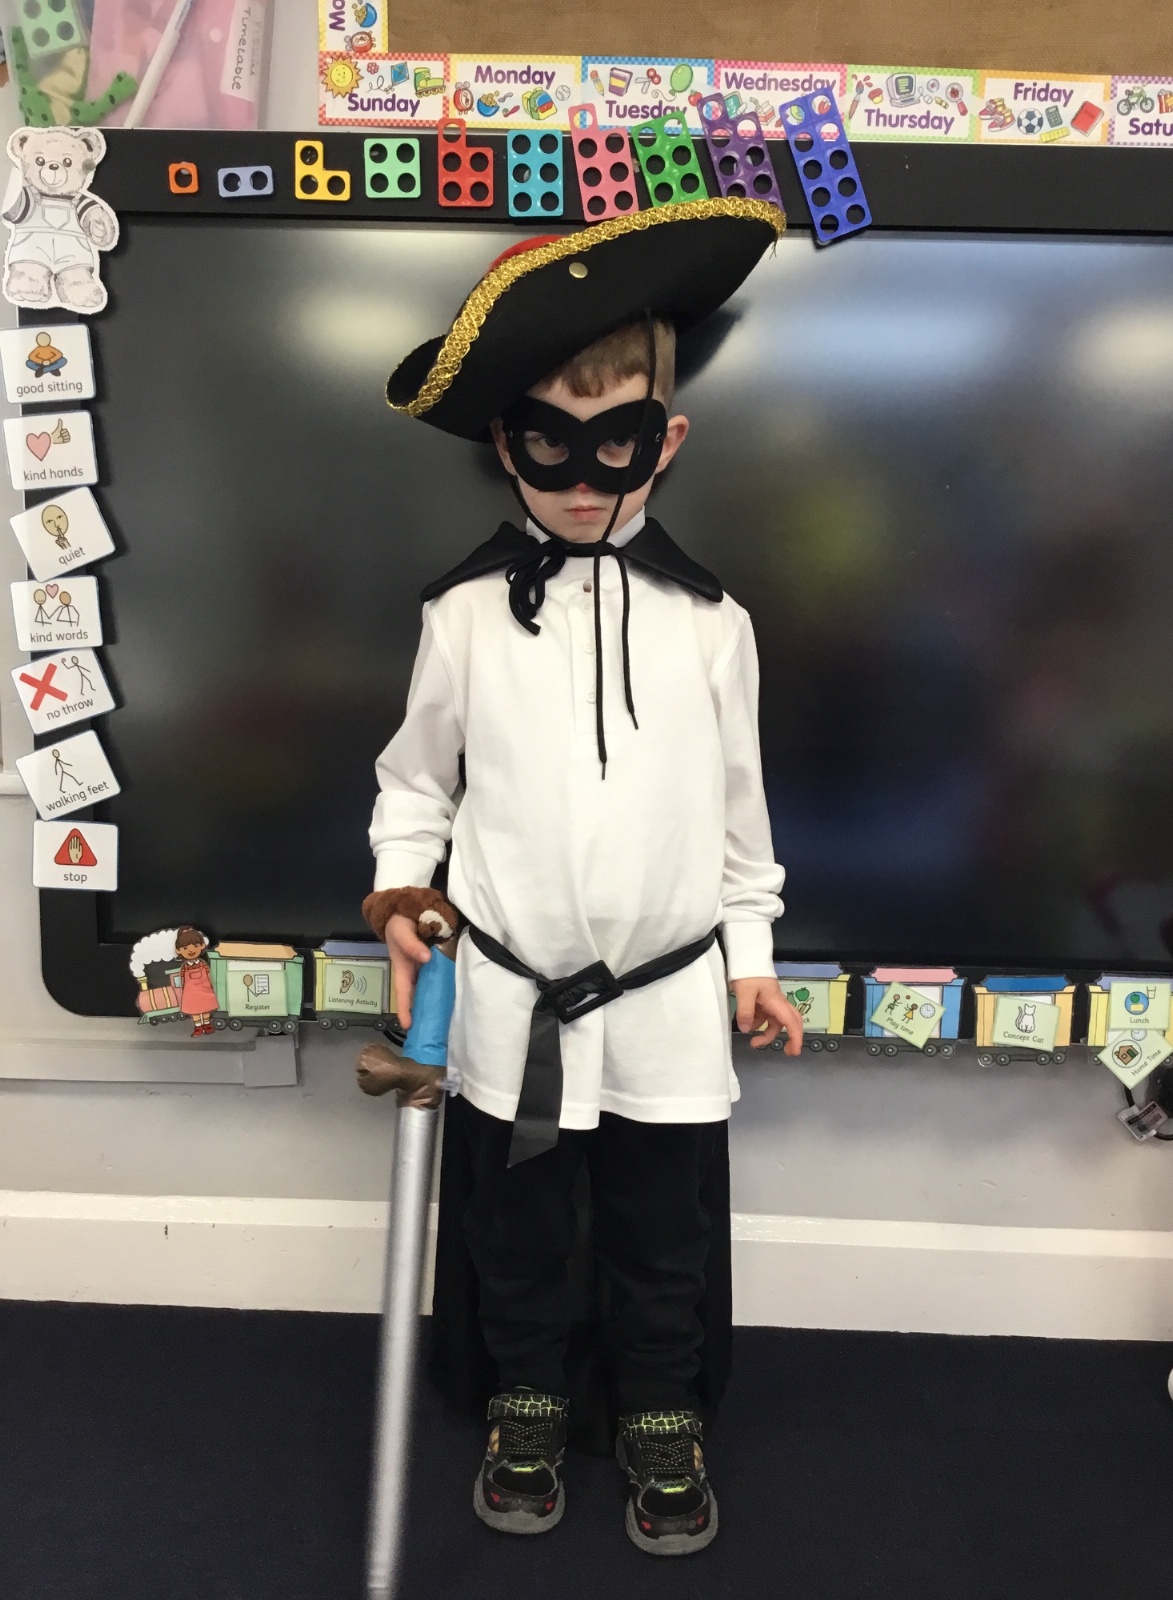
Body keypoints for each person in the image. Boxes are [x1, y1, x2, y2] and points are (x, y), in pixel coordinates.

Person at [363, 199, 803, 1557]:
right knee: (521, 1226)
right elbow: (416, 785)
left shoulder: (715, 627)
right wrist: (402, 898)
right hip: (509, 1000)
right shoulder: (462, 616)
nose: (580, 475)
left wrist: (751, 959)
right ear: (508, 445)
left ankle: (663, 1409)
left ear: (665, 441)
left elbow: (740, 821)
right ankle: (528, 1397)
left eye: (614, 441)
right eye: (548, 441)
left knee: (663, 1229)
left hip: (668, 1000)